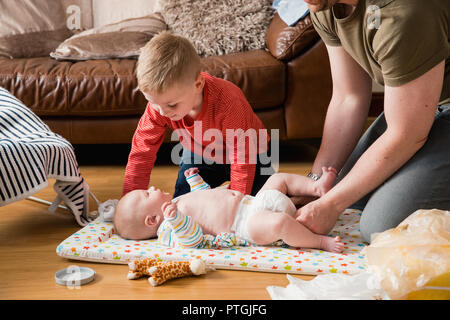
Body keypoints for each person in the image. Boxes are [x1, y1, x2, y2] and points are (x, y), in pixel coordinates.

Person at [294, 0, 449, 242]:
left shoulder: (404, 11)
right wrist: (314, 186)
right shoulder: (324, 5)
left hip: (425, 115)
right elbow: (348, 97)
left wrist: (331, 205)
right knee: (345, 193)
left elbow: (406, 134)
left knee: (380, 225)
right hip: (421, 107)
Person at [122, 31, 273, 199]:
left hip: (251, 152)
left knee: (264, 200)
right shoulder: (159, 107)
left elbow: (243, 155)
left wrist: (237, 201)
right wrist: (130, 201)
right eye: (154, 103)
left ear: (198, 84)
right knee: (184, 197)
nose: (162, 112)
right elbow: (142, 152)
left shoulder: (229, 101)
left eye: (172, 105)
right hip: (200, 151)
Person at [114, 166, 344, 253]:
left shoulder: (178, 201)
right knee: (279, 224)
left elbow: (206, 197)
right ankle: (319, 241)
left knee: (279, 178)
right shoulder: (168, 230)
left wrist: (195, 182)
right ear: (153, 220)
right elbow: (192, 240)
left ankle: (317, 187)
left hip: (252, 202)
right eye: (147, 193)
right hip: (246, 225)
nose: (152, 187)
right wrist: (176, 220)